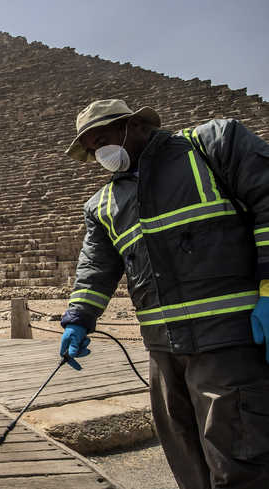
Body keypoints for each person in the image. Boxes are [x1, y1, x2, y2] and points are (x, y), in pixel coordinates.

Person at [58, 99, 269, 489]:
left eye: (103, 137)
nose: (98, 151)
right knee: (188, 463)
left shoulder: (213, 146)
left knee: (242, 459)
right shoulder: (103, 204)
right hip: (163, 353)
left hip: (230, 340)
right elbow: (96, 267)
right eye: (90, 147)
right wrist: (78, 319)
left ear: (135, 125)